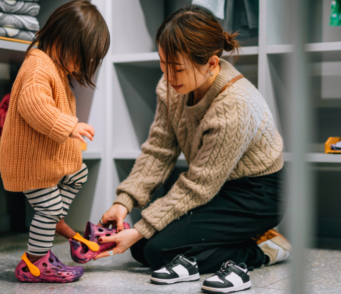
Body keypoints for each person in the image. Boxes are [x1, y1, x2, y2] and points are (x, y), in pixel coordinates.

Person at [96, 5, 291, 292]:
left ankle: (263, 248)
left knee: (154, 249)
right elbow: (158, 149)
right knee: (141, 247)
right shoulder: (172, 86)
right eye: (163, 63)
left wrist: (139, 230)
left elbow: (199, 184)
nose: (168, 75)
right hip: (215, 185)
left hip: (257, 193)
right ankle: (232, 239)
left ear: (212, 63)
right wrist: (123, 201)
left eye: (177, 68)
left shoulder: (234, 105)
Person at [0, 0, 109, 283]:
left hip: (44, 161)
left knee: (78, 174)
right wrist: (69, 125)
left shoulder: (55, 68)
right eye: (80, 57)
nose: (81, 66)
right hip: (29, 164)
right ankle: (35, 263)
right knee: (47, 209)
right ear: (61, 39)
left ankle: (55, 221)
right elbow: (34, 106)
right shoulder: (38, 67)